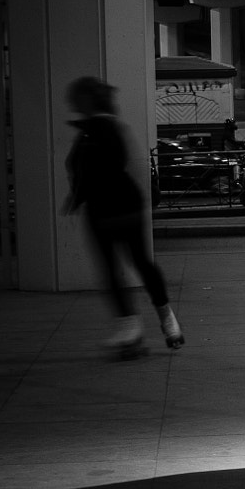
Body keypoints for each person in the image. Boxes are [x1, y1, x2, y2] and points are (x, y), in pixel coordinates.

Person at [63, 76, 182, 354]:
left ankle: (149, 323)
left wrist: (79, 193)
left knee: (130, 265)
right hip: (108, 207)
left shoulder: (101, 128)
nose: (71, 102)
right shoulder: (95, 128)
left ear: (88, 100)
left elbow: (105, 164)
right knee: (125, 266)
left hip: (116, 206)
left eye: (77, 97)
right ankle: (144, 325)